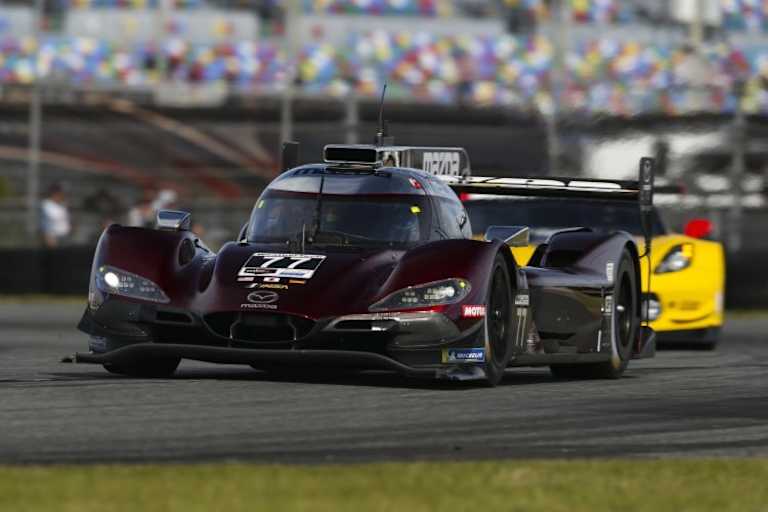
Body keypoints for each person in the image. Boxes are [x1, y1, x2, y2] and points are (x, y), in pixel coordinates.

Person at [40, 183, 71, 247]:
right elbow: (53, 217)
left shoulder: (62, 205)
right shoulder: (46, 204)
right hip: (52, 237)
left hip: (64, 236)